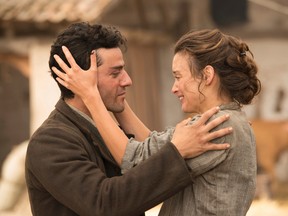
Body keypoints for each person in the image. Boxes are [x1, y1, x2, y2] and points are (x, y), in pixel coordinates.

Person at [25, 22, 232, 216]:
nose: (128, 81)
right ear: (81, 80)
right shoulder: (51, 141)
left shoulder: (106, 129)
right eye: (115, 74)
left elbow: (143, 156)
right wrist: (177, 151)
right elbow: (105, 203)